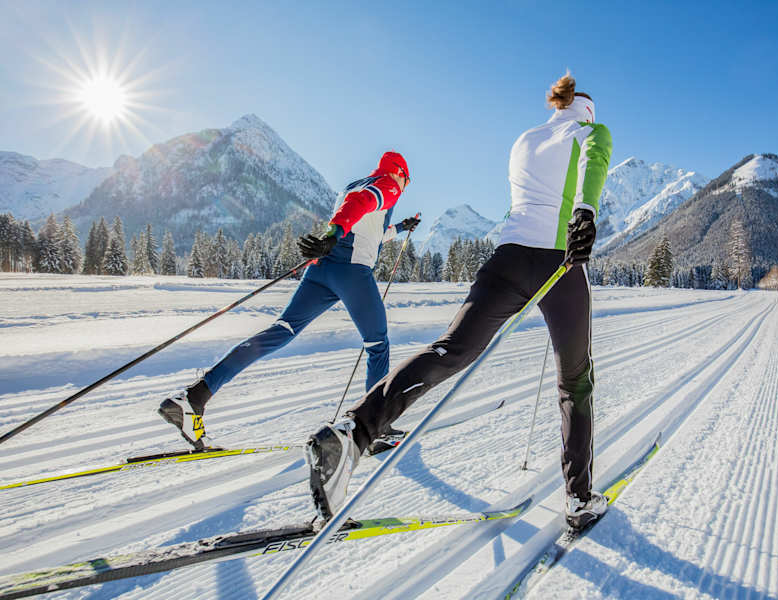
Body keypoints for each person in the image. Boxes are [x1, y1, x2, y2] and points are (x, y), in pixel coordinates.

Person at [306, 74, 613, 529]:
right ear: (586, 110)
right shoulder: (592, 131)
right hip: (561, 263)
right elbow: (595, 164)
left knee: (451, 349)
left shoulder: (525, 140)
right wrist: (585, 214)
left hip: (507, 259)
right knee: (575, 380)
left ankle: (354, 432)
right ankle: (580, 498)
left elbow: (523, 202)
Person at [158, 151, 420, 451]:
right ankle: (375, 427)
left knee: (280, 331)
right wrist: (333, 233)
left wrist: (400, 227)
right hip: (352, 271)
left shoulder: (354, 183)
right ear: (398, 171)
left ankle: (195, 396)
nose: (405, 185)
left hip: (321, 270)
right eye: (407, 179)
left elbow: (366, 226)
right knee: (378, 345)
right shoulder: (387, 184)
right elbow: (360, 204)